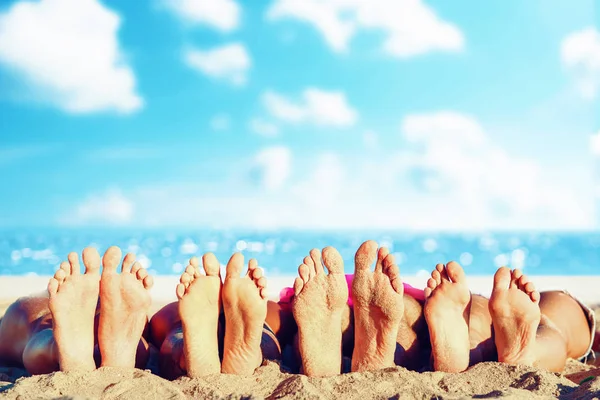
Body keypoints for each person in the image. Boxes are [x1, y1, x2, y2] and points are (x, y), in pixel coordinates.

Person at [0, 246, 152, 374]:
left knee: (38, 321)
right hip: (103, 307)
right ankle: (123, 350)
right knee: (136, 330)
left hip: (81, 304)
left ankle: (55, 348)